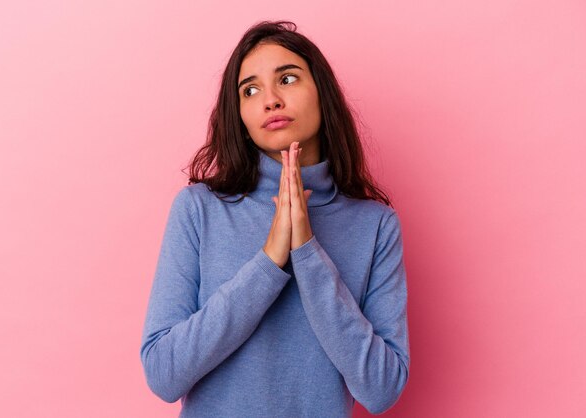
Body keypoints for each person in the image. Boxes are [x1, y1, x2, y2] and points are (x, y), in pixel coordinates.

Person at [140, 20, 410, 418]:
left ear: (323, 94)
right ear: (242, 119)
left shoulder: (376, 226)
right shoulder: (199, 209)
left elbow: (382, 389)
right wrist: (269, 261)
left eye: (287, 79)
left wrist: (306, 251)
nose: (270, 100)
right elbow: (163, 375)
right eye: (250, 90)